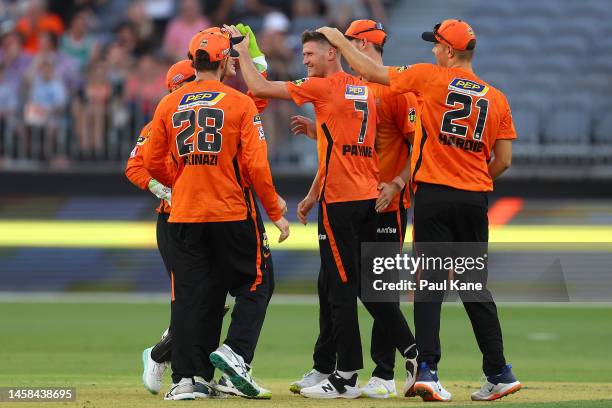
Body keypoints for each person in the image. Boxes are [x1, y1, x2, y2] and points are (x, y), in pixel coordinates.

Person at [317, 19, 521, 402]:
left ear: (448, 51)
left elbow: (371, 71)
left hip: (434, 196)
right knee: (474, 287)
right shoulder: (497, 98)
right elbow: (504, 161)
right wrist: (474, 177)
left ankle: (427, 369)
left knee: (429, 286)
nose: (432, 51)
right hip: (475, 198)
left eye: (436, 46)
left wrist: (337, 41)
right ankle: (499, 371)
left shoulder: (431, 77)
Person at [232, 26, 418, 399]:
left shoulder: (322, 87)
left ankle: (345, 376)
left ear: (332, 53)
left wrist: (240, 51)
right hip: (366, 197)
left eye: (310, 55)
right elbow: (344, 140)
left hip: (342, 202)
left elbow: (260, 89)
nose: (305, 62)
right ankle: (412, 352)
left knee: (340, 291)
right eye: (303, 58)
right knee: (367, 288)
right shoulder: (364, 90)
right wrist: (314, 188)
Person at [144, 29, 289, 401]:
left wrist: (183, 179)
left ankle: (188, 381)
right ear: (226, 61)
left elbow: (150, 162)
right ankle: (235, 352)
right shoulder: (239, 103)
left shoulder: (169, 103)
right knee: (258, 283)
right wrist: (275, 210)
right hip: (229, 210)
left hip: (185, 215)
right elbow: (257, 167)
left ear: (193, 63)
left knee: (195, 298)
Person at [289, 20, 419, 399]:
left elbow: (418, 145)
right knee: (332, 284)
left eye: (344, 40)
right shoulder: (355, 88)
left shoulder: (392, 90)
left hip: (386, 203)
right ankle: (327, 365)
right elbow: (343, 148)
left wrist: (396, 183)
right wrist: (316, 183)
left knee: (373, 286)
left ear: (359, 44)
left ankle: (383, 371)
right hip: (354, 195)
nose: (337, 45)